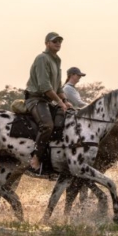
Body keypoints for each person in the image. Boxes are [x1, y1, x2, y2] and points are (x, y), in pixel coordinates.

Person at [25, 32, 71, 173]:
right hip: (36, 99)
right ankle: (36, 158)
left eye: (59, 41)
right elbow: (45, 87)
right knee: (47, 125)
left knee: (66, 120)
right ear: (47, 43)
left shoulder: (57, 60)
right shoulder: (42, 58)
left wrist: (65, 101)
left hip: (47, 101)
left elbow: (57, 87)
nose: (58, 43)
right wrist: (59, 102)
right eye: (54, 41)